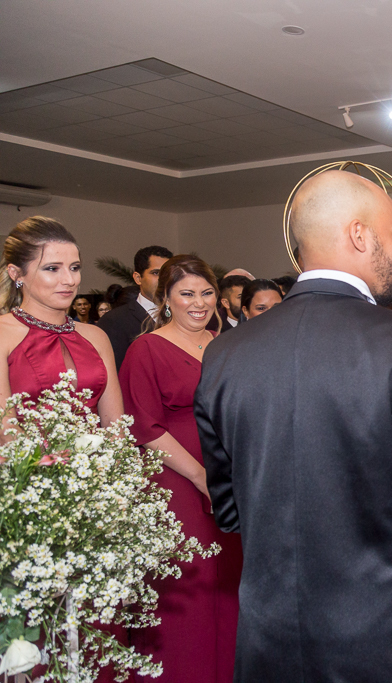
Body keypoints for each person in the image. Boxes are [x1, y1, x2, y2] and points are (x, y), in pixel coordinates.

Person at [194, 170, 392, 682]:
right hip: (379, 638)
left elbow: (230, 512)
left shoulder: (224, 353)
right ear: (359, 235)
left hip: (269, 641)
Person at [118, 255, 241, 683]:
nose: (199, 302)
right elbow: (144, 426)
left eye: (206, 292)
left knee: (229, 584)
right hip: (175, 484)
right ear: (166, 298)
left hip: (230, 479)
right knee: (188, 586)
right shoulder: (146, 348)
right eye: (186, 294)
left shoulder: (225, 344)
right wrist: (199, 476)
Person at [0, 216, 124, 430]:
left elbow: (116, 426)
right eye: (52, 268)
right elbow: (5, 431)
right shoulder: (3, 334)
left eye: (74, 267)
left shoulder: (96, 336)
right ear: (16, 273)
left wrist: (108, 463)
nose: (70, 280)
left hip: (98, 461)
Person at [97, 245, 173, 370]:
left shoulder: (183, 315)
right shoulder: (114, 321)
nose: (164, 280)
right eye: (156, 273)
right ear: (138, 278)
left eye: (168, 274)